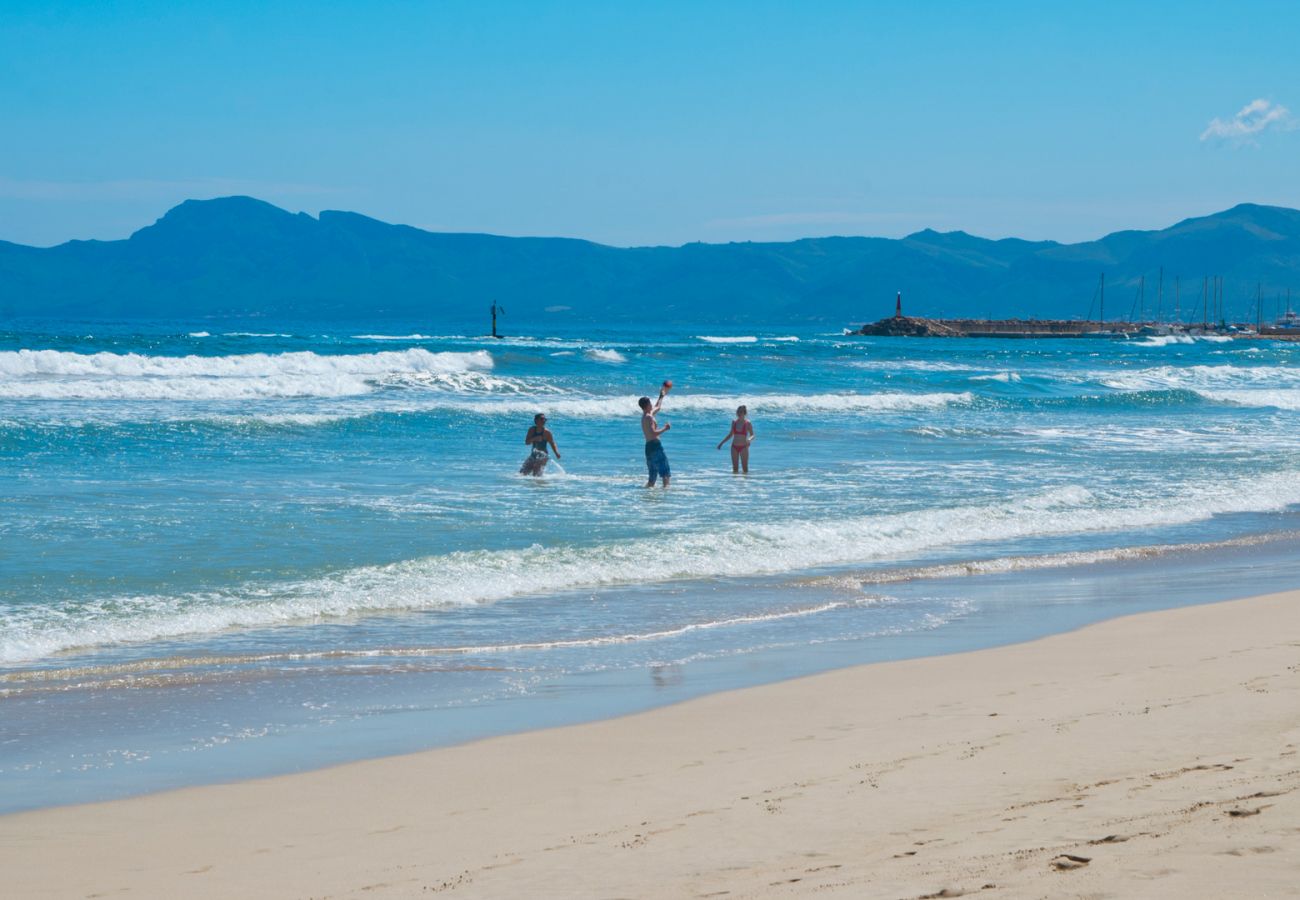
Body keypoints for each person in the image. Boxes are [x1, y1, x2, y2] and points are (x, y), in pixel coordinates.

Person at [639, 384, 672, 488]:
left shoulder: (646, 416)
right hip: (655, 446)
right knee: (665, 473)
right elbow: (653, 433)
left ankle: (647, 496)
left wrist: (661, 396)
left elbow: (658, 407)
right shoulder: (649, 417)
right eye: (650, 402)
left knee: (652, 478)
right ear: (647, 405)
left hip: (648, 448)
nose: (651, 404)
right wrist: (665, 429)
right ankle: (666, 496)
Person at [717, 404, 754, 473]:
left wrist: (749, 439)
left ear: (744, 413)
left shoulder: (747, 423)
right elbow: (730, 434)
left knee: (745, 468)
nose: (739, 414)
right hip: (734, 447)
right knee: (735, 468)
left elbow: (752, 435)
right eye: (738, 412)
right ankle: (735, 483)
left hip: (744, 447)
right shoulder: (734, 422)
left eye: (741, 412)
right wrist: (721, 443)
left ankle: (746, 483)